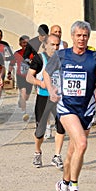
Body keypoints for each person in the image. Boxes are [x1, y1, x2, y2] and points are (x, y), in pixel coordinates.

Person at [43, 20, 96, 191]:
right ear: (72, 37)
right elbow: (47, 73)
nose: (82, 39)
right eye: (78, 35)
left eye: (85, 36)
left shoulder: (95, 57)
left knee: (73, 151)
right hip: (67, 107)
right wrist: (51, 90)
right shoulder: (61, 55)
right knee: (82, 143)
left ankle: (62, 184)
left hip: (86, 108)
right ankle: (73, 188)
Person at [26, 34, 65, 169]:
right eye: (52, 44)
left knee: (61, 126)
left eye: (57, 45)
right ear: (46, 45)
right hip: (44, 96)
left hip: (59, 97)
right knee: (40, 129)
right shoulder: (40, 58)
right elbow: (29, 77)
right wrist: (39, 83)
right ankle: (37, 152)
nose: (55, 47)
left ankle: (57, 156)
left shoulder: (63, 58)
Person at [8, 35, 34, 121]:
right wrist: (9, 73)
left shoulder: (32, 53)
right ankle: (24, 113)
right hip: (20, 76)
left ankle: (21, 101)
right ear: (20, 44)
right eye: (24, 43)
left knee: (26, 96)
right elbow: (11, 64)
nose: (25, 44)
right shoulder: (17, 53)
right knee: (23, 92)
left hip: (30, 77)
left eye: (27, 43)